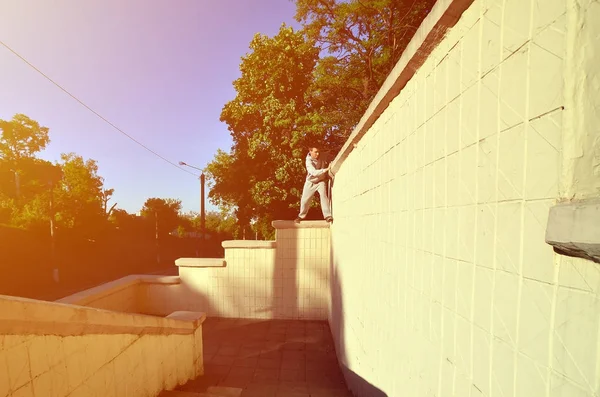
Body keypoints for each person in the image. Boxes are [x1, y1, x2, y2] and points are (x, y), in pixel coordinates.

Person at [295, 146, 333, 223]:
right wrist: (326, 169)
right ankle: (301, 216)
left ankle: (328, 216)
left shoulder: (322, 155)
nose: (317, 154)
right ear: (310, 152)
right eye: (315, 152)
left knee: (323, 196)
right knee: (305, 200)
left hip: (320, 181)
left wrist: (331, 161)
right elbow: (313, 172)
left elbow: (331, 156)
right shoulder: (308, 161)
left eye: (318, 152)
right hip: (310, 182)